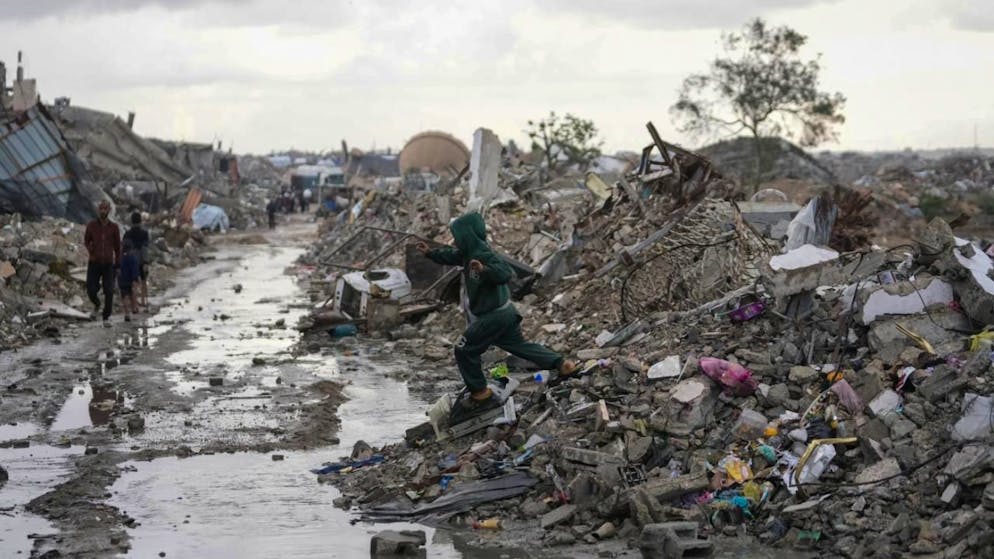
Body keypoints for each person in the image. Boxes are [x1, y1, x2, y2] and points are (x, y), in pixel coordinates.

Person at [417, 212, 576, 421]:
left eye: (457, 236)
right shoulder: (467, 253)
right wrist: (430, 253)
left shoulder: (483, 253)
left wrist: (484, 269)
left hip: (494, 316)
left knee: (464, 350)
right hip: (506, 313)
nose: (454, 240)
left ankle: (480, 393)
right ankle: (562, 364)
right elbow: (450, 255)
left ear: (467, 235)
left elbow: (505, 273)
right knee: (520, 346)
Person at [84, 201, 121, 327]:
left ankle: (106, 316)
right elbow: (86, 240)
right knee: (90, 289)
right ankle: (97, 304)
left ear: (109, 210)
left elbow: (117, 247)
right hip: (94, 262)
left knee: (109, 291)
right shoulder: (91, 225)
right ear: (98, 210)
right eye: (101, 209)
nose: (103, 211)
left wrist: (118, 263)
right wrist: (91, 251)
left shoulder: (114, 227)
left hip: (108, 264)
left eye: (105, 209)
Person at [123, 211, 150, 309]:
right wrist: (146, 262)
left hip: (130, 259)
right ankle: (143, 301)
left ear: (131, 221)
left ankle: (134, 304)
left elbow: (124, 248)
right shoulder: (144, 233)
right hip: (141, 259)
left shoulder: (127, 234)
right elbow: (145, 248)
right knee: (143, 280)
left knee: (133, 281)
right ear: (141, 221)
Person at [118, 238, 140, 322]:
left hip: (122, 279)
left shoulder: (120, 257)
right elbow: (134, 269)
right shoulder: (133, 258)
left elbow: (116, 268)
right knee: (132, 294)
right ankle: (134, 308)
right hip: (130, 279)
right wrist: (135, 278)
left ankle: (127, 313)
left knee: (124, 296)